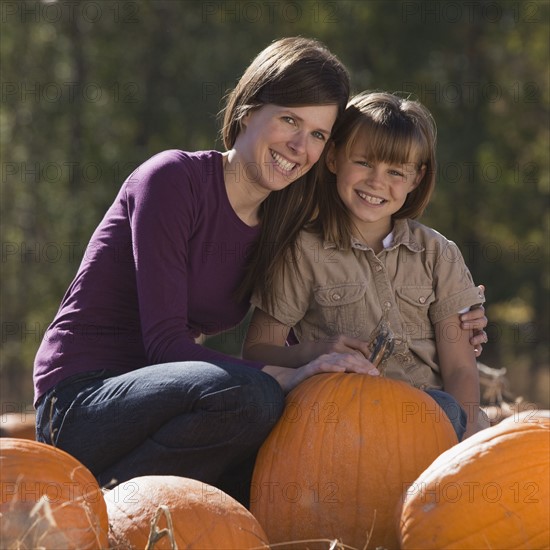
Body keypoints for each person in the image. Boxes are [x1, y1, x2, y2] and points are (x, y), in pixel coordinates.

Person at [34, 38, 487, 506]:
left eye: (317, 134)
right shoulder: (172, 180)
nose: (299, 145)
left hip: (174, 412)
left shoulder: (282, 224)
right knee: (254, 396)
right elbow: (165, 345)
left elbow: (310, 311)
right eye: (290, 119)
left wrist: (455, 321)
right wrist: (285, 376)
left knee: (287, 458)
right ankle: (86, 510)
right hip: (85, 401)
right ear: (249, 110)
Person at [243, 91, 489, 441]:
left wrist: (463, 443)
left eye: (395, 171)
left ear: (416, 178)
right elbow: (256, 350)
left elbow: (461, 369)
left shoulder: (438, 253)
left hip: (430, 419)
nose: (377, 182)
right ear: (333, 158)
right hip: (343, 421)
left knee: (447, 409)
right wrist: (314, 352)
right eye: (363, 163)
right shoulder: (302, 251)